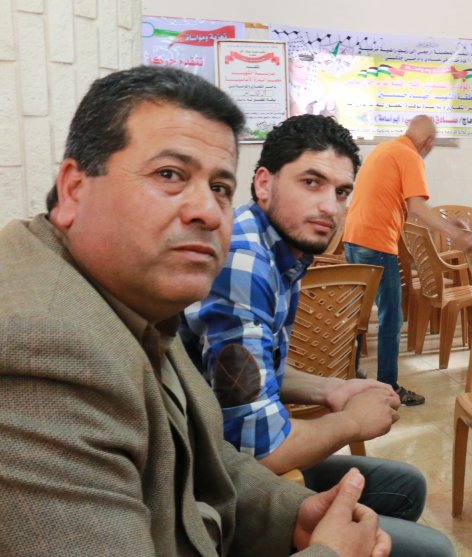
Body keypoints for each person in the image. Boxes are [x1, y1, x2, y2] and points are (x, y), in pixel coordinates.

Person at [0, 65, 389, 556]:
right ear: (75, 188)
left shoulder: (135, 297)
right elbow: (259, 445)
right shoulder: (41, 348)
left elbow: (202, 456)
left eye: (220, 187)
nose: (207, 210)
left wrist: (290, 514)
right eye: (169, 175)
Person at [181, 114, 454, 557]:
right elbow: (260, 449)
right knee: (434, 550)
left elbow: (254, 370)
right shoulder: (245, 260)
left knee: (408, 484)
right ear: (264, 183)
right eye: (311, 182)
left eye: (341, 192)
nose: (330, 206)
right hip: (218, 479)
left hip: (235, 456)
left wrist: (331, 388)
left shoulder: (278, 248)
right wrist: (352, 421)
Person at [342, 115, 472, 405]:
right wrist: (456, 235)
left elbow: (408, 203)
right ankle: (388, 387)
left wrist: (447, 223)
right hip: (376, 243)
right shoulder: (410, 156)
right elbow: (416, 206)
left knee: (359, 315)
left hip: (354, 238)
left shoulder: (386, 149)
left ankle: (350, 376)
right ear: (429, 142)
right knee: (392, 317)